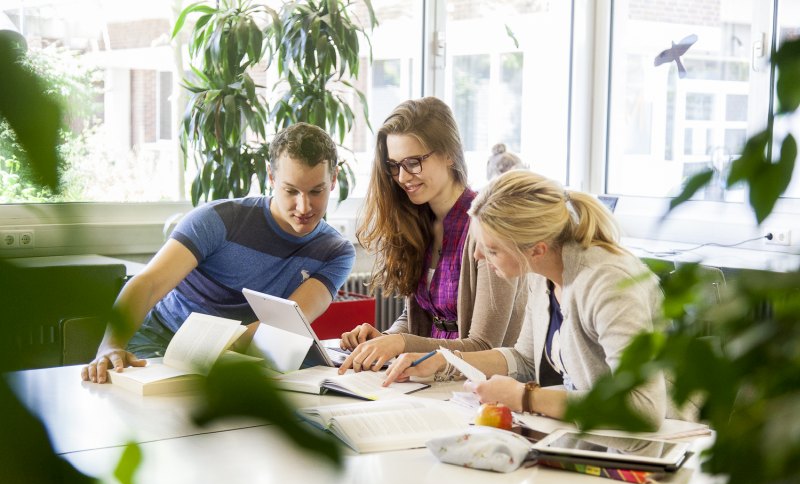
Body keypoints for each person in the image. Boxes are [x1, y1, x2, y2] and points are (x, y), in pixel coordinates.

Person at [383, 170, 667, 428]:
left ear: (536, 249)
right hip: (582, 435)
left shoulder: (609, 283)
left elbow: (644, 408)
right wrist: (446, 362)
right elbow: (525, 359)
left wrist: (525, 398)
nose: (477, 257)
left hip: (652, 447)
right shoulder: (542, 272)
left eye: (492, 250)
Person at [82, 123, 356, 383]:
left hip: (235, 357)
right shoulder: (218, 220)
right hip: (160, 342)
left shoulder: (336, 252)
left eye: (316, 191)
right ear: (271, 177)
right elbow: (148, 284)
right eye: (290, 190)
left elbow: (281, 326)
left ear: (333, 180)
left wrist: (219, 357)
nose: (304, 206)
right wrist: (110, 345)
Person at [338, 97, 527, 374]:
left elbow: (485, 346)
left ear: (448, 153)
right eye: (394, 165)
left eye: (413, 162)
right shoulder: (419, 221)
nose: (402, 177)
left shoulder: (490, 229)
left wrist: (400, 344)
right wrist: (384, 340)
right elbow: (421, 317)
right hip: (429, 380)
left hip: (483, 387)